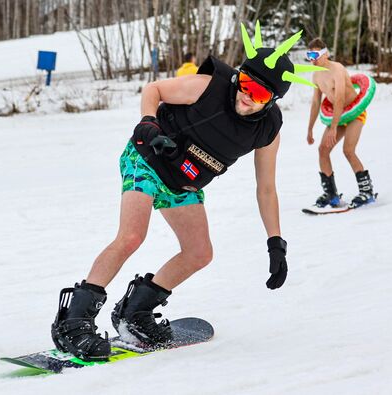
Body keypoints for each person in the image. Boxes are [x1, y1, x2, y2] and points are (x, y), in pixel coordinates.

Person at [50, 22, 325, 362]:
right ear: (238, 77)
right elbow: (154, 89)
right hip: (148, 159)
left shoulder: (267, 131)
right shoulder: (208, 86)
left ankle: (134, 313)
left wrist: (275, 243)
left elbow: (266, 189)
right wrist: (148, 123)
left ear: (273, 101)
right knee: (132, 236)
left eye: (260, 95)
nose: (247, 97)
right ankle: (73, 321)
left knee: (199, 252)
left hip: (183, 182)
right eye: (246, 85)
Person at [305, 38, 375, 208]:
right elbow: (315, 103)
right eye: (309, 55)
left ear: (325, 53)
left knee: (348, 150)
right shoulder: (316, 75)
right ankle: (331, 195)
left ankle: (367, 191)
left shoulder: (337, 69)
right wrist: (310, 129)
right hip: (337, 116)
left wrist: (334, 127)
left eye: (315, 54)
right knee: (323, 150)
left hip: (354, 114)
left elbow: (340, 98)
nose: (312, 59)